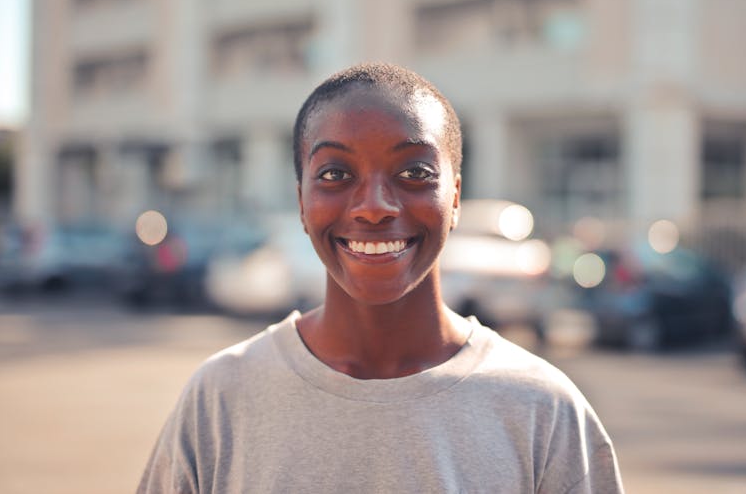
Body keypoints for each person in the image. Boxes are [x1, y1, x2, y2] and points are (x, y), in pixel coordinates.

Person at [137, 63, 624, 493]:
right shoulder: (222, 397)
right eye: (334, 174)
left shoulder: (543, 409)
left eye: (414, 171)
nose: (374, 206)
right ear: (302, 201)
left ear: (455, 196)